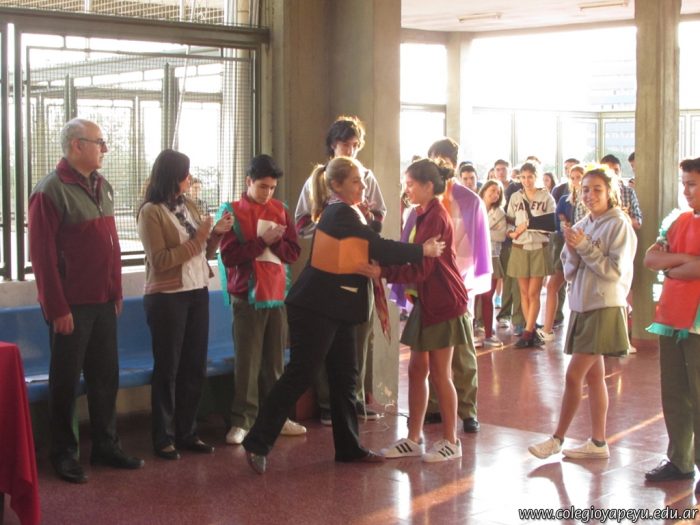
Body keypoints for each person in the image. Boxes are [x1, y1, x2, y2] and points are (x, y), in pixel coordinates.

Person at [242, 156, 444, 474]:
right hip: (316, 307)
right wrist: (423, 250)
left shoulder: (348, 211)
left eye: (362, 180)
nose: (363, 186)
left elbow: (367, 241)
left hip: (338, 306)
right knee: (301, 374)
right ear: (336, 185)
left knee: (345, 377)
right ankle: (257, 442)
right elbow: (377, 246)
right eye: (355, 181)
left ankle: (349, 448)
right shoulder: (339, 212)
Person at [28, 118, 144, 484]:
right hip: (71, 306)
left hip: (103, 301)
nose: (105, 148)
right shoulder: (49, 191)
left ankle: (106, 445)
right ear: (77, 145)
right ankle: (63, 453)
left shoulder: (102, 186)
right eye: (99, 142)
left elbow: (110, 245)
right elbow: (42, 258)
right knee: (65, 381)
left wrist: (116, 290)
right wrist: (57, 308)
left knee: (105, 376)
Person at [528, 166, 637, 460]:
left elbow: (614, 271)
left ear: (610, 192)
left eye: (597, 189)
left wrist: (584, 247)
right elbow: (570, 270)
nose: (590, 195)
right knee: (594, 377)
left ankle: (557, 438)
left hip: (604, 307)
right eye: (585, 190)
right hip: (581, 305)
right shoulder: (583, 223)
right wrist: (573, 248)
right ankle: (598, 442)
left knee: (574, 375)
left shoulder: (619, 224)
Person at [137, 149, 233, 460]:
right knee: (168, 368)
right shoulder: (151, 212)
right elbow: (160, 260)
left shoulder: (188, 205)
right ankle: (163, 436)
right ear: (172, 177)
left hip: (197, 291)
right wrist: (200, 237)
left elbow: (203, 253)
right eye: (185, 174)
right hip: (167, 297)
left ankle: (187, 432)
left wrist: (215, 235)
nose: (189, 179)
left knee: (194, 365)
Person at [295, 115, 386, 425]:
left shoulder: (367, 177)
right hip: (328, 265)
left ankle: (354, 399)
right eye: (346, 144)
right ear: (333, 145)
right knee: (326, 335)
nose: (351, 150)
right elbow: (301, 223)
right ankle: (327, 403)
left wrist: (366, 217)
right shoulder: (319, 178)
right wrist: (333, 220)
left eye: (356, 145)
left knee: (360, 334)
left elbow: (379, 216)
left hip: (360, 264)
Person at [380, 159, 470, 462]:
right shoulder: (420, 213)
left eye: (410, 184)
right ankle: (413, 437)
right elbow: (412, 256)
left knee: (441, 374)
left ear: (428, 186)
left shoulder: (436, 216)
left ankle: (451, 441)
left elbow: (422, 268)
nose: (407, 189)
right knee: (417, 369)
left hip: (443, 302)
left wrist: (383, 272)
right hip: (426, 301)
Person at [218, 155, 306, 446]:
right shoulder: (232, 211)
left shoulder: (281, 210)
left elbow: (293, 253)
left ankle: (276, 418)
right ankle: (242, 420)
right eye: (262, 186)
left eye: (272, 188)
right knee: (247, 362)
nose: (267, 193)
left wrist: (276, 242)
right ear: (248, 182)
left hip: (277, 295)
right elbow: (229, 256)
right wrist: (262, 242)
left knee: (275, 364)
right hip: (246, 297)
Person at [416, 138, 491, 434]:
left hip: (457, 283)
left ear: (454, 165)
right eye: (434, 160)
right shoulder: (424, 199)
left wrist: (458, 276)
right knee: (432, 348)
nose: (439, 166)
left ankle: (468, 409)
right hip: (428, 281)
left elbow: (475, 246)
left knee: (461, 349)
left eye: (444, 162)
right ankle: (435, 405)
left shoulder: (469, 200)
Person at [644, 158, 700, 490]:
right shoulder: (678, 221)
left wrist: (671, 266)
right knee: (674, 391)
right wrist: (683, 261)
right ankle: (680, 460)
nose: (686, 190)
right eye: (684, 184)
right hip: (672, 317)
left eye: (692, 184)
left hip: (697, 322)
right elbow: (651, 258)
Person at [506, 162, 556, 348]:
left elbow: (552, 223)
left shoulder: (546, 196)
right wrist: (511, 233)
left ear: (536, 177)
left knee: (534, 292)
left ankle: (527, 333)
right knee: (524, 292)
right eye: (523, 177)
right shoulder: (515, 197)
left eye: (530, 177)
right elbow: (509, 221)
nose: (526, 181)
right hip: (519, 246)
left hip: (538, 246)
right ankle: (531, 329)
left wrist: (530, 225)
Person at [540, 164, 586, 341]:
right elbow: (559, 221)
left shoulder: (587, 201)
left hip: (583, 247)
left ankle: (579, 330)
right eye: (572, 178)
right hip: (566, 246)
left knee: (579, 288)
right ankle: (547, 328)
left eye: (579, 177)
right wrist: (565, 224)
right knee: (553, 285)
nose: (576, 181)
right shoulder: (565, 199)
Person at [476, 180, 507, 348]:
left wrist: (482, 232)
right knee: (474, 296)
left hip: (493, 256)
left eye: (498, 192)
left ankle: (488, 334)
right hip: (474, 256)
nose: (495, 194)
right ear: (485, 190)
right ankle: (474, 330)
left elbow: (501, 236)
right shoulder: (475, 206)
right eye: (492, 190)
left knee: (488, 296)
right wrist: (488, 232)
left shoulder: (500, 212)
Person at [601, 154, 642, 230]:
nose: (613, 174)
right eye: (609, 171)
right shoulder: (594, 193)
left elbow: (638, 223)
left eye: (616, 170)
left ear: (621, 172)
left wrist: (621, 218)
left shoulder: (629, 192)